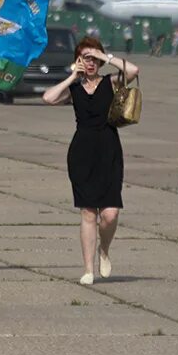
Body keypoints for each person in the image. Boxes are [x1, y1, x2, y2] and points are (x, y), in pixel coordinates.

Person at [42, 37, 139, 286]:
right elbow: (48, 98)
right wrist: (72, 76)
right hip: (82, 152)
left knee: (110, 214)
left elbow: (133, 71)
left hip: (109, 149)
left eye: (94, 58)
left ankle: (104, 250)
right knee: (88, 212)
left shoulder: (111, 82)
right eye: (86, 58)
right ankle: (88, 269)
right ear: (78, 61)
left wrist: (105, 56)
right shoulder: (73, 89)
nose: (91, 62)